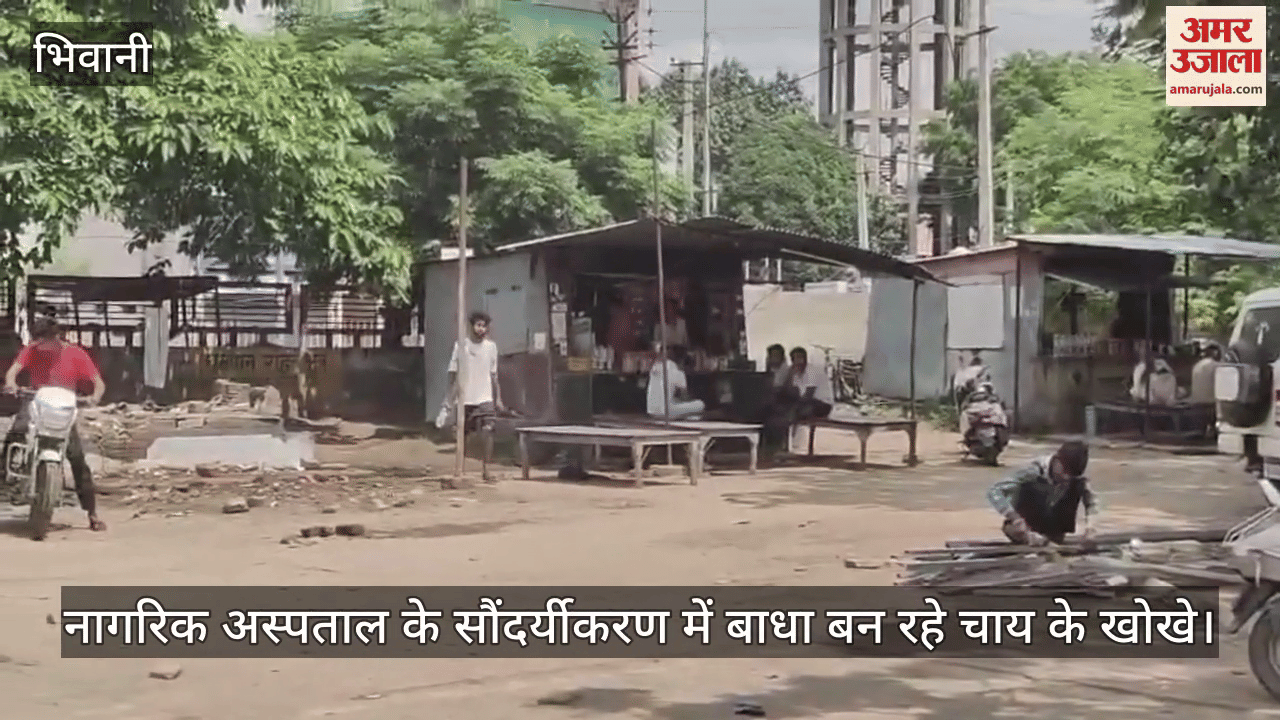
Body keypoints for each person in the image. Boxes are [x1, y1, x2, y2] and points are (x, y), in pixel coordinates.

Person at [2, 316, 107, 532]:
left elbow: (98, 383)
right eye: (38, 340)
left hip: (62, 407)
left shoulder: (76, 353)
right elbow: (13, 372)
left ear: (57, 337)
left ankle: (92, 513)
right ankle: (5, 476)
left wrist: (94, 397)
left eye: (45, 340)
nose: (41, 345)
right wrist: (12, 385)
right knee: (16, 432)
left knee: (77, 457)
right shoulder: (32, 350)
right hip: (35, 400)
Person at [987, 440, 1096, 546]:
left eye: (1071, 475)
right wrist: (1014, 517)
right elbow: (995, 491)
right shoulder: (1032, 470)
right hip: (1025, 529)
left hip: (1054, 530)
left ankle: (1051, 539)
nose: (1066, 477)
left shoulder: (1077, 478)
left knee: (1078, 485)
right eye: (1065, 471)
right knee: (1035, 486)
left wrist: (1090, 527)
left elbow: (1092, 501)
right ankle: (1032, 538)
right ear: (1057, 460)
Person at [447, 311, 504, 483]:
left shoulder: (491, 347)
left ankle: (487, 471)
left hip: (485, 397)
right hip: (465, 397)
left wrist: (498, 398)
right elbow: (452, 373)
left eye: (484, 325)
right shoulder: (461, 346)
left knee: (488, 432)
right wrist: (450, 397)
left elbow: (494, 375)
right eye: (478, 325)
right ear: (471, 327)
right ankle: (460, 469)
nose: (482, 329)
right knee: (462, 436)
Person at [646, 344, 704, 419]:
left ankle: (690, 418)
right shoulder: (674, 368)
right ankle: (690, 417)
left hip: (651, 411)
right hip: (665, 411)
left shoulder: (655, 365)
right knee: (700, 404)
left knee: (677, 404)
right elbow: (684, 395)